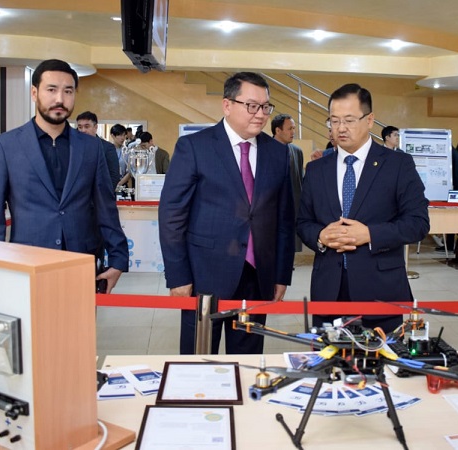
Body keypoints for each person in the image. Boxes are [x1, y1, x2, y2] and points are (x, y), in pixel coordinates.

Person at [159, 72, 295, 355]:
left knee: (247, 361)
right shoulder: (195, 147)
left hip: (258, 277)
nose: (261, 114)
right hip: (204, 275)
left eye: (266, 107)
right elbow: (172, 216)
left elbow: (284, 219)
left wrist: (281, 275)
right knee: (199, 361)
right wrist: (178, 276)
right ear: (227, 105)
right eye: (252, 106)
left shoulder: (278, 153)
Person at [0, 59, 128, 293]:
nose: (60, 99)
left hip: (81, 260)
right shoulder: (6, 146)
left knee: (78, 319)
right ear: (34, 93)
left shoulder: (91, 148)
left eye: (68, 91)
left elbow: (105, 206)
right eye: (51, 89)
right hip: (27, 263)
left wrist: (118, 259)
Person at [297, 83, 429, 332]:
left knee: (381, 356)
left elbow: (418, 223)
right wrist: (320, 236)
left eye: (349, 120)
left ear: (369, 120)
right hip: (329, 290)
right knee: (328, 356)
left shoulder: (398, 165)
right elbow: (303, 222)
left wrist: (370, 234)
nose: (340, 128)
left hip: (380, 289)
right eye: (334, 121)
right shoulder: (316, 170)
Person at [272, 113, 304, 252]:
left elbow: (300, 181)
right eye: (290, 129)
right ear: (278, 130)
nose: (293, 132)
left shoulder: (297, 152)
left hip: (292, 209)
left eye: (294, 128)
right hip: (271, 211)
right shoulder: (263, 150)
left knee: (289, 249)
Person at [76, 111, 121, 190]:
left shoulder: (107, 148)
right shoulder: (73, 147)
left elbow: (114, 176)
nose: (83, 130)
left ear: (95, 127)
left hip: (100, 194)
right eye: (80, 127)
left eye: (87, 126)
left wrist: (103, 194)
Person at [110, 124, 132, 191]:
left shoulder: (127, 151)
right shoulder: (107, 150)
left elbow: (130, 171)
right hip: (108, 184)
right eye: (119, 135)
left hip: (122, 184)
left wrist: (119, 184)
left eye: (124, 135)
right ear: (113, 136)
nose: (122, 138)